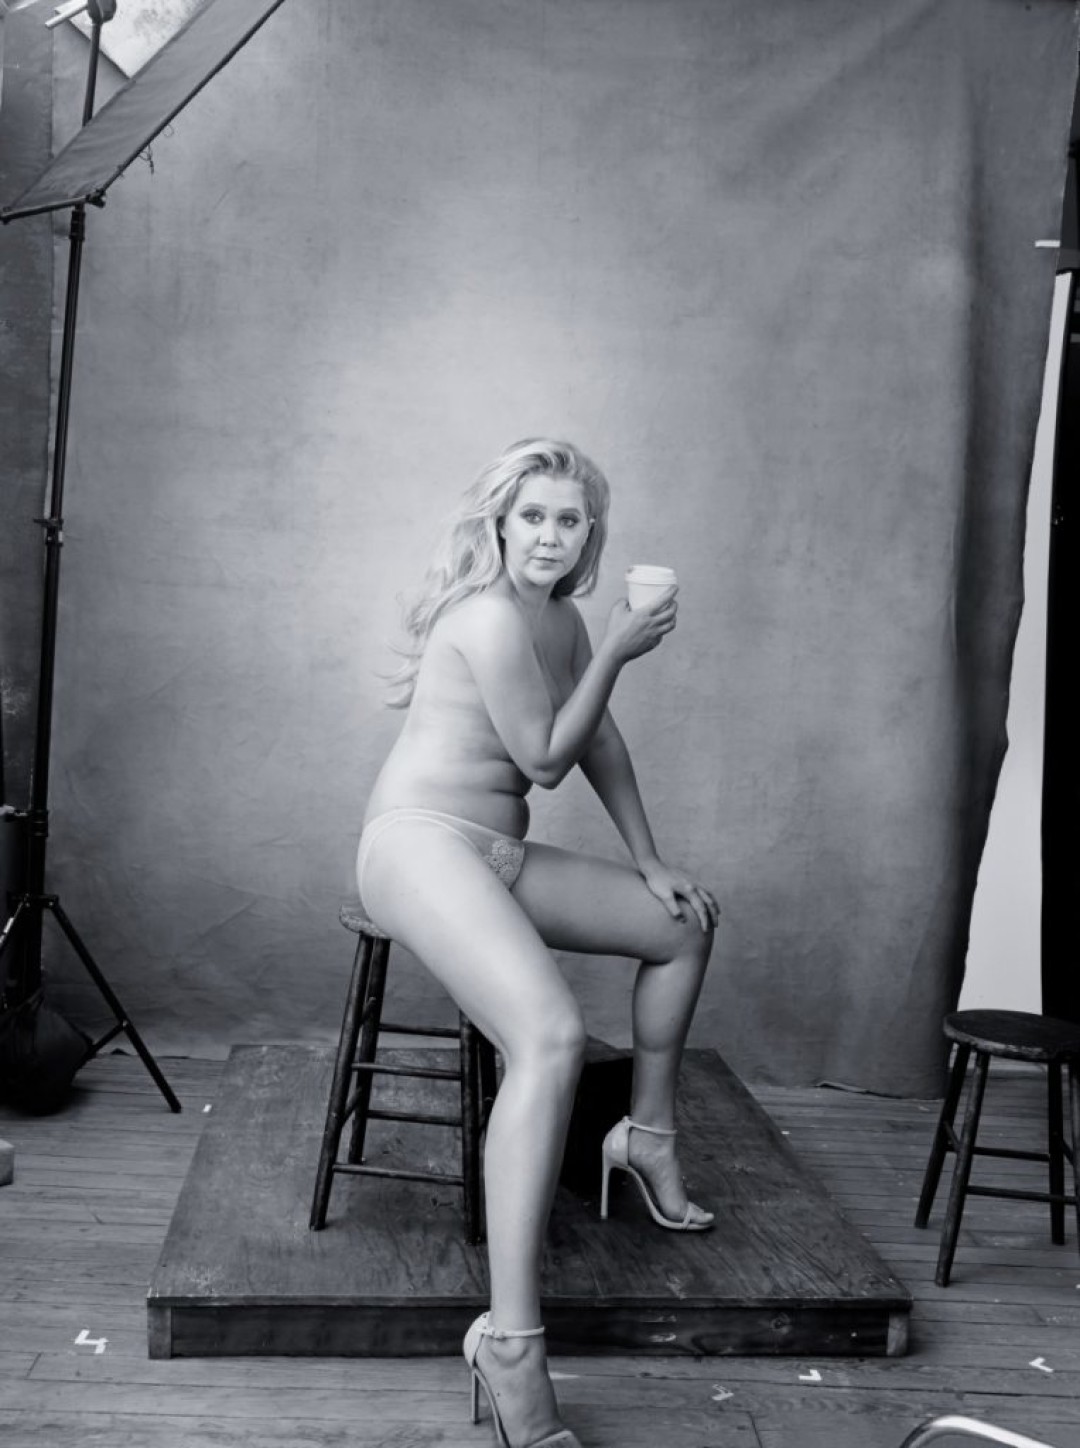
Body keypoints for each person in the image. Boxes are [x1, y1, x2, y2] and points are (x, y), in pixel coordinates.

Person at [357, 438, 719, 1448]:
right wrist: (619, 650)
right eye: (533, 517)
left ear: (589, 532)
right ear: (501, 523)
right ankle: (510, 1342)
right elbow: (546, 757)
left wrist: (649, 860)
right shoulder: (486, 616)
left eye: (570, 519)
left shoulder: (560, 618)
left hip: (497, 853)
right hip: (416, 843)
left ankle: (646, 1136)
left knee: (680, 924)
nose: (551, 536)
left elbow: (597, 738)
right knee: (551, 1036)